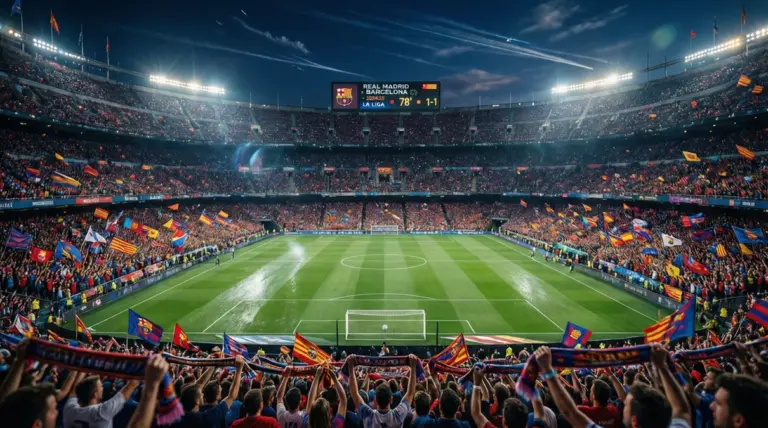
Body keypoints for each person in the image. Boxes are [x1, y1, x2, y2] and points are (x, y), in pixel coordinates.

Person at [171, 355, 245, 428]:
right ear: (197, 402)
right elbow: (231, 397)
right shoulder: (203, 419)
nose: (203, 394)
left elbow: (198, 384)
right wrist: (239, 369)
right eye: (201, 394)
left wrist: (213, 365)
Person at [349, 354, 417, 428]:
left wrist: (350, 367)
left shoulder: (368, 415)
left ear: (375, 400)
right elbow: (410, 393)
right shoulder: (397, 416)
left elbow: (354, 393)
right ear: (391, 400)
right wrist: (413, 367)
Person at [63, 374, 139, 428]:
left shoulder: (69, 409)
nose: (103, 387)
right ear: (95, 394)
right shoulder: (102, 412)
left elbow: (73, 392)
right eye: (101, 386)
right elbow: (132, 385)